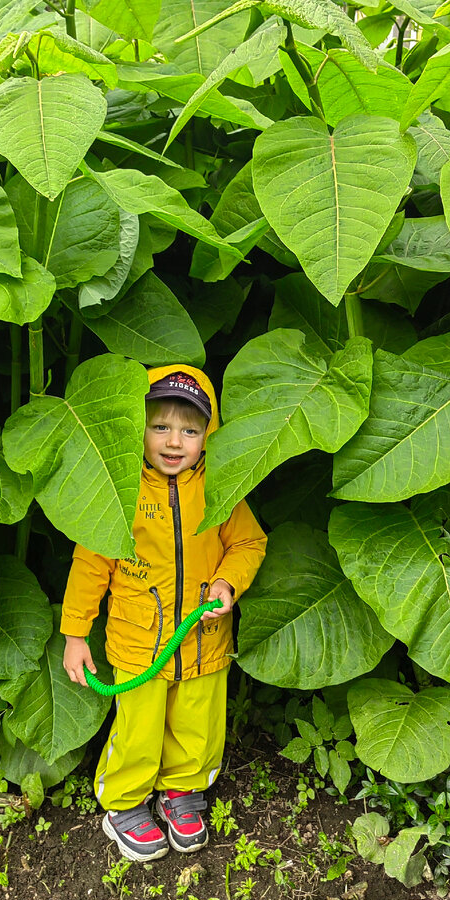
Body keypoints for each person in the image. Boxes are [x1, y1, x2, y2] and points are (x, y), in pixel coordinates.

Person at [61, 364, 267, 862]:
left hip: (204, 639)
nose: (175, 441)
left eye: (190, 430)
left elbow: (248, 542)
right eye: (161, 427)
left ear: (207, 435)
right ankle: (124, 803)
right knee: (139, 727)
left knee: (197, 723)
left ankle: (182, 791)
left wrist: (227, 582)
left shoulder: (219, 487)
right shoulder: (121, 490)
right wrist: (75, 632)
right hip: (139, 642)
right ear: (140, 429)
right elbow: (91, 561)